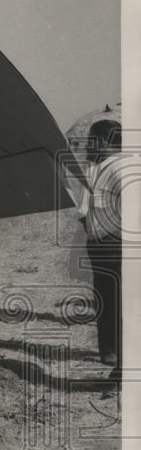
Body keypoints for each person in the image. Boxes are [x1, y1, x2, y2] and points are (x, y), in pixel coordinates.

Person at [79, 120, 126, 375]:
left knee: (118, 304)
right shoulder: (103, 169)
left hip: (115, 247)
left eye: (90, 139)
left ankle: (122, 366)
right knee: (108, 301)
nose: (87, 145)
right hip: (102, 247)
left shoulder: (119, 169)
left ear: (104, 142)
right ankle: (115, 356)